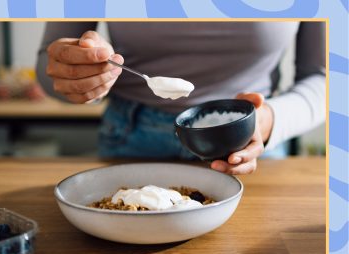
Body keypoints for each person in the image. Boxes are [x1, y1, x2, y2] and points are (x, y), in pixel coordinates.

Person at [36, 22, 325, 175]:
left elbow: (324, 79)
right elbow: (48, 64)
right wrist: (78, 73)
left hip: (251, 145)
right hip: (131, 138)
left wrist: (268, 121)